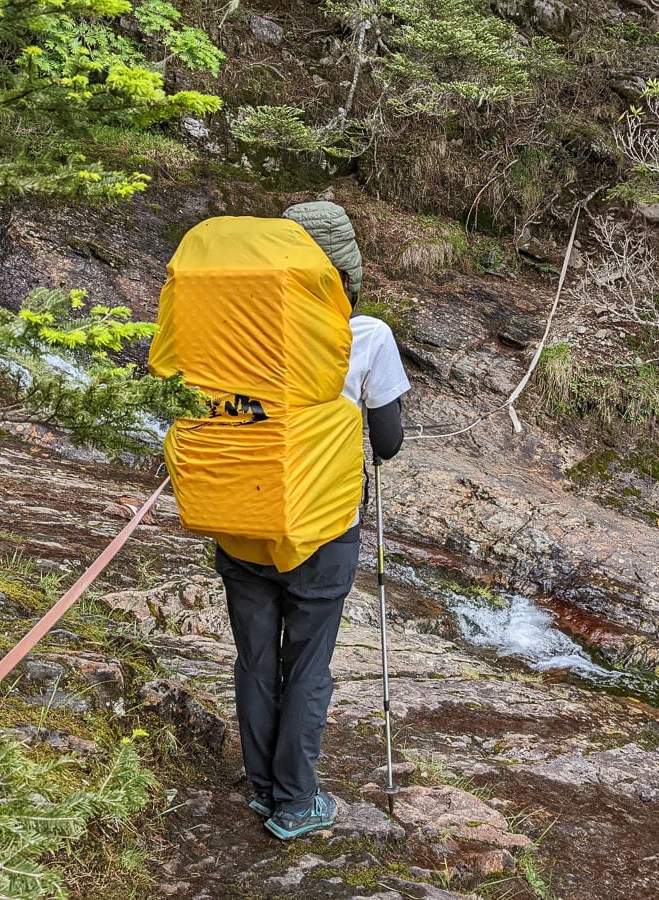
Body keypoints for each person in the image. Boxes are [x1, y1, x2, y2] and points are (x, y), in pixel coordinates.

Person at [212, 200, 411, 840]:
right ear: (345, 275)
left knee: (254, 659)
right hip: (323, 530)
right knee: (306, 666)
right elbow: (387, 444)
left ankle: (263, 788)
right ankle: (296, 801)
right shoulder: (366, 335)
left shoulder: (236, 333)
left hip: (243, 520)